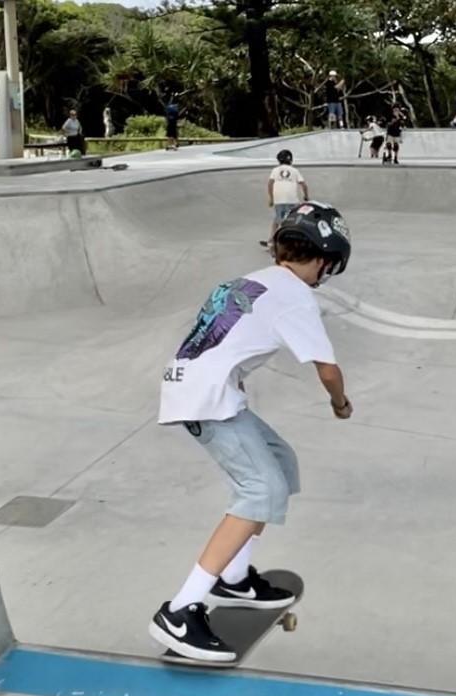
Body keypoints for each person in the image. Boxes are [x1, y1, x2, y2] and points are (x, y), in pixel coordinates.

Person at [150, 201, 354, 663]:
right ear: (324, 260)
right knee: (259, 489)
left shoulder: (248, 280)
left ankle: (235, 578)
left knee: (280, 463)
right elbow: (327, 368)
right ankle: (181, 610)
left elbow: (216, 332)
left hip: (209, 391)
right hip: (205, 401)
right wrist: (339, 404)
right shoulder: (297, 296)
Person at [262, 149, 309, 253]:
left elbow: (270, 184)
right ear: (291, 160)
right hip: (292, 200)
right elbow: (304, 185)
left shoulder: (275, 170)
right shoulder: (295, 170)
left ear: (279, 161)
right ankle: (295, 243)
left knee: (277, 221)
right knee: (294, 221)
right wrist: (306, 196)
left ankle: (273, 243)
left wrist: (271, 198)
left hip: (279, 200)